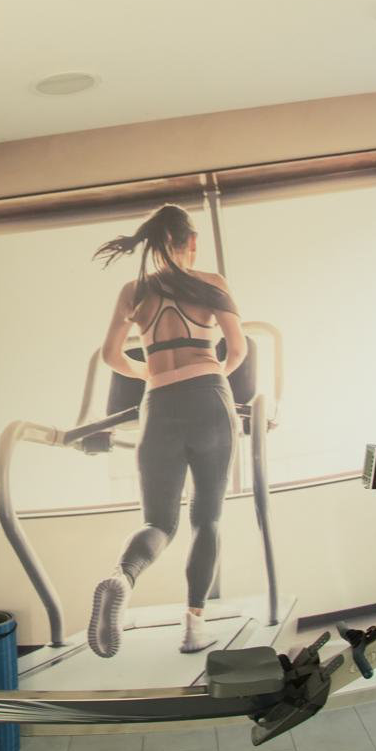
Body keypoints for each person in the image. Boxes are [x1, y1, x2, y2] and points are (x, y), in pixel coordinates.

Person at [86, 204, 245, 658]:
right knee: (206, 518)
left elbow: (112, 356)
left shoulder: (134, 290)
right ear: (192, 242)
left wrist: (151, 374)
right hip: (209, 395)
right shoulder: (211, 283)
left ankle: (122, 578)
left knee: (158, 522)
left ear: (155, 245)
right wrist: (210, 378)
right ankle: (194, 626)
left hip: (158, 404)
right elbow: (236, 350)